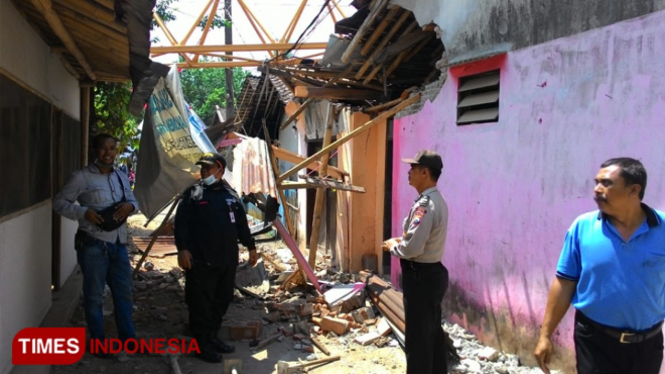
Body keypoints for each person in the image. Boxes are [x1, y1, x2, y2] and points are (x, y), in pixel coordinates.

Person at [534, 157, 665, 374]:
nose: (597, 189)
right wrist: (545, 335)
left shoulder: (662, 229)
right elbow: (565, 283)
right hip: (595, 341)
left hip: (647, 344)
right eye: (596, 182)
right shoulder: (582, 228)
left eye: (606, 183)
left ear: (634, 190)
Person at [53, 133, 138, 355]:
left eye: (112, 148)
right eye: (103, 148)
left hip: (118, 244)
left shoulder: (120, 176)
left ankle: (129, 340)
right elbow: (59, 203)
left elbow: (132, 200)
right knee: (93, 296)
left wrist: (130, 207)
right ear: (95, 150)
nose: (108, 153)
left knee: (124, 293)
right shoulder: (80, 177)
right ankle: (98, 343)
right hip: (93, 245)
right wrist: (83, 212)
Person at [174, 152, 258, 363]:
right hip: (202, 262)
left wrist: (251, 246)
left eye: (208, 168)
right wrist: (182, 249)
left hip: (226, 261)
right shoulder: (193, 194)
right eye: (202, 168)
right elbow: (181, 224)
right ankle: (201, 345)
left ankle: (211, 337)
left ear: (220, 169)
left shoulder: (230, 195)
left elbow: (241, 225)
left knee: (221, 301)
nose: (203, 171)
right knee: (200, 304)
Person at [382, 149, 449, 374]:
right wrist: (403, 240)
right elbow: (419, 238)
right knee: (432, 335)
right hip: (431, 274)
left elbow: (412, 248)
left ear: (424, 172)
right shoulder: (435, 201)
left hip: (421, 278)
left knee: (418, 341)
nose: (408, 172)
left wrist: (394, 247)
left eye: (412, 168)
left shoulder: (426, 205)